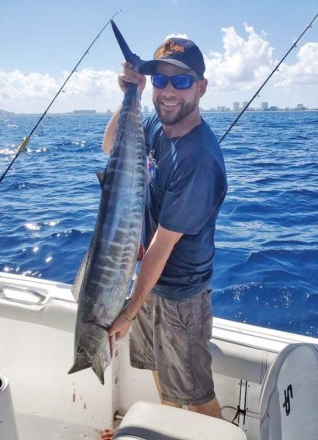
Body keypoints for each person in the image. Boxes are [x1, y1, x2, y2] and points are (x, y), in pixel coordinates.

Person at [103, 37, 227, 419]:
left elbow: (160, 245)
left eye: (182, 82)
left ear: (201, 87)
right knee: (160, 373)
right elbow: (111, 147)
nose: (169, 91)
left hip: (179, 298)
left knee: (196, 394)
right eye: (160, 81)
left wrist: (128, 311)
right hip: (149, 284)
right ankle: (170, 427)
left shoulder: (199, 158)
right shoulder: (158, 126)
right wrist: (131, 95)